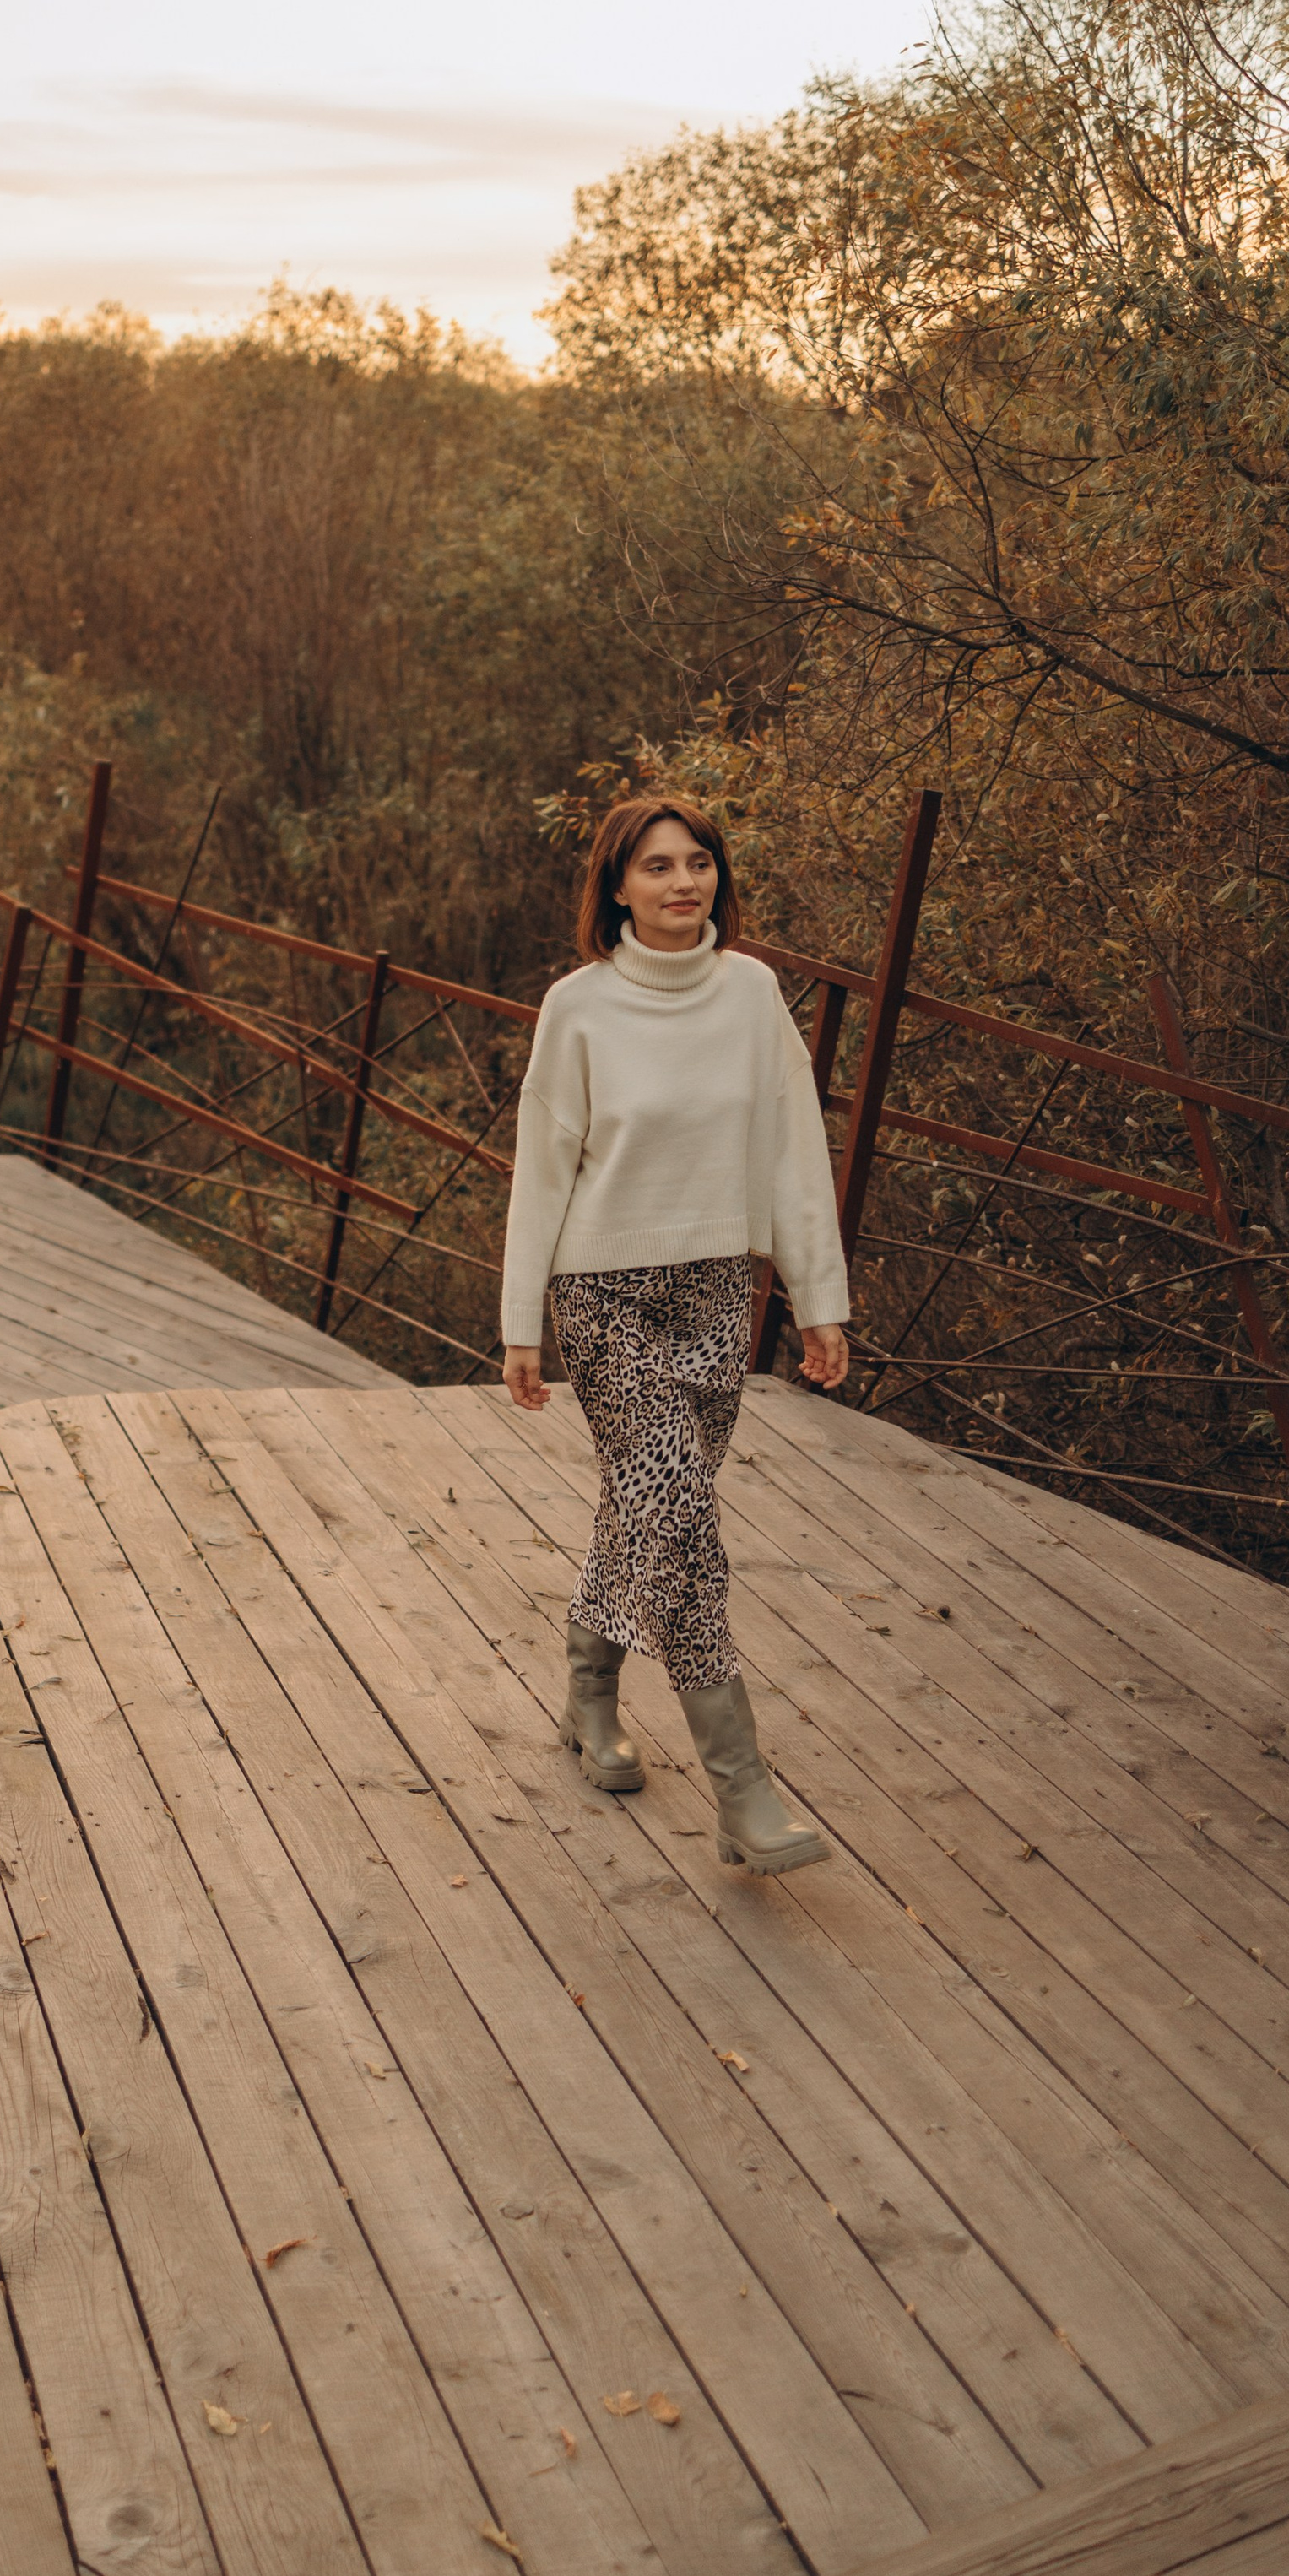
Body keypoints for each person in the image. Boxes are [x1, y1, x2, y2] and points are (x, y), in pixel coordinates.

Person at [501, 792, 849, 1876]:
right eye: (655, 866)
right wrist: (522, 1322)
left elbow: (794, 1149)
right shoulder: (579, 1007)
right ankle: (741, 1792)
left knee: (652, 1507)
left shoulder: (751, 993)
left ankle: (587, 1688)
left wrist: (818, 1299)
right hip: (602, 1294)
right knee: (683, 1520)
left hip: (713, 1291)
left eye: (697, 862)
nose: (681, 882)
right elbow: (542, 1165)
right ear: (616, 886)